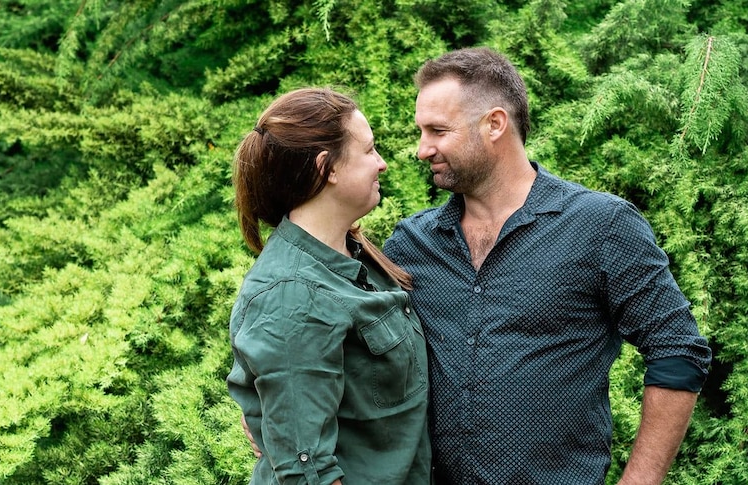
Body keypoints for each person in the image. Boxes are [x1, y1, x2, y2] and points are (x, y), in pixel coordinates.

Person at [379, 47, 712, 484]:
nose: (422, 149)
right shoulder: (411, 244)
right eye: (422, 131)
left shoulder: (602, 226)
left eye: (438, 131)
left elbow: (678, 351)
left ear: (495, 124)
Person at [227, 87, 432, 485]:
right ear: (328, 169)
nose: (382, 164)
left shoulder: (352, 255)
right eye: (370, 150)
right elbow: (309, 473)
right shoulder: (292, 296)